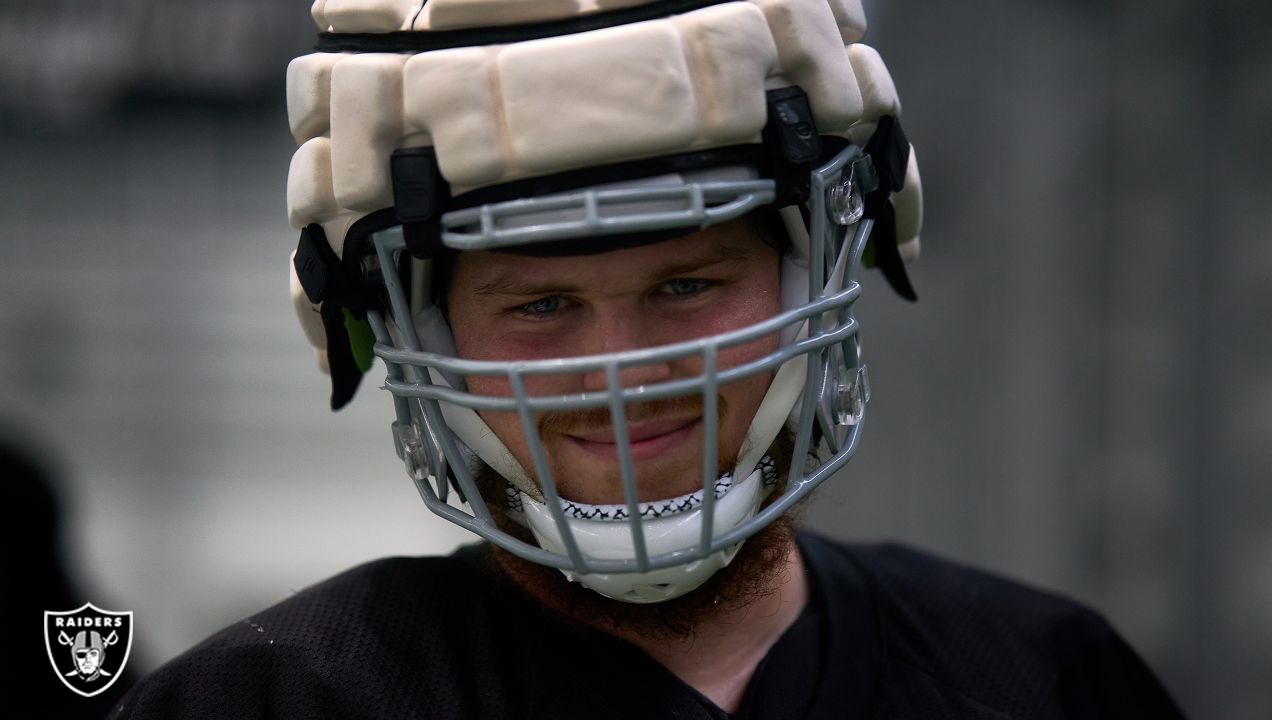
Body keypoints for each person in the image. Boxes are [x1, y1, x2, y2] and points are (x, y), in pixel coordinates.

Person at [113, 0, 1186, 717]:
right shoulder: (270, 704)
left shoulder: (1039, 679)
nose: (620, 371)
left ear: (814, 270)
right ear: (411, 330)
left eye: (686, 285)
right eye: (538, 304)